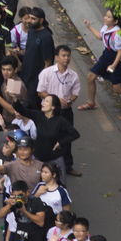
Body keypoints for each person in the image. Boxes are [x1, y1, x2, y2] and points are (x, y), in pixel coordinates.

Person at [0, 87, 79, 181]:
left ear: (53, 107)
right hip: (38, 158)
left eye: (46, 101)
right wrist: (14, 99)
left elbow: (74, 134)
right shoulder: (38, 116)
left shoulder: (60, 121)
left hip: (54, 159)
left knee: (59, 183)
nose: (42, 103)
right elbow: (23, 111)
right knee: (37, 182)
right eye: (43, 101)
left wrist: (61, 142)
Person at [79, 11, 121, 109]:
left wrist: (113, 66)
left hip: (115, 60)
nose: (105, 18)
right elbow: (100, 37)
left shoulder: (118, 34)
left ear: (115, 21)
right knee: (90, 77)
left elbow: (119, 52)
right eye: (106, 15)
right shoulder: (106, 27)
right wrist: (89, 27)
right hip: (106, 56)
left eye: (109, 17)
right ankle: (91, 103)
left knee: (117, 89)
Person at [36, 45, 81, 175]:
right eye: (63, 55)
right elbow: (40, 92)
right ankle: (44, 166)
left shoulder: (73, 76)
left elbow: (75, 93)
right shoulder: (46, 73)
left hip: (65, 112)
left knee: (67, 139)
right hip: (49, 112)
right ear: (56, 57)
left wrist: (70, 100)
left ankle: (67, 166)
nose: (66, 58)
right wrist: (55, 100)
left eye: (68, 56)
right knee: (46, 138)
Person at [19, 8, 54, 106]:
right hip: (25, 74)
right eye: (29, 18)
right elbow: (29, 50)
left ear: (41, 20)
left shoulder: (46, 37)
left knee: (33, 105)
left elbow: (48, 63)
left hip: (35, 79)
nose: (30, 20)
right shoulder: (31, 31)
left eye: (33, 19)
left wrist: (42, 83)